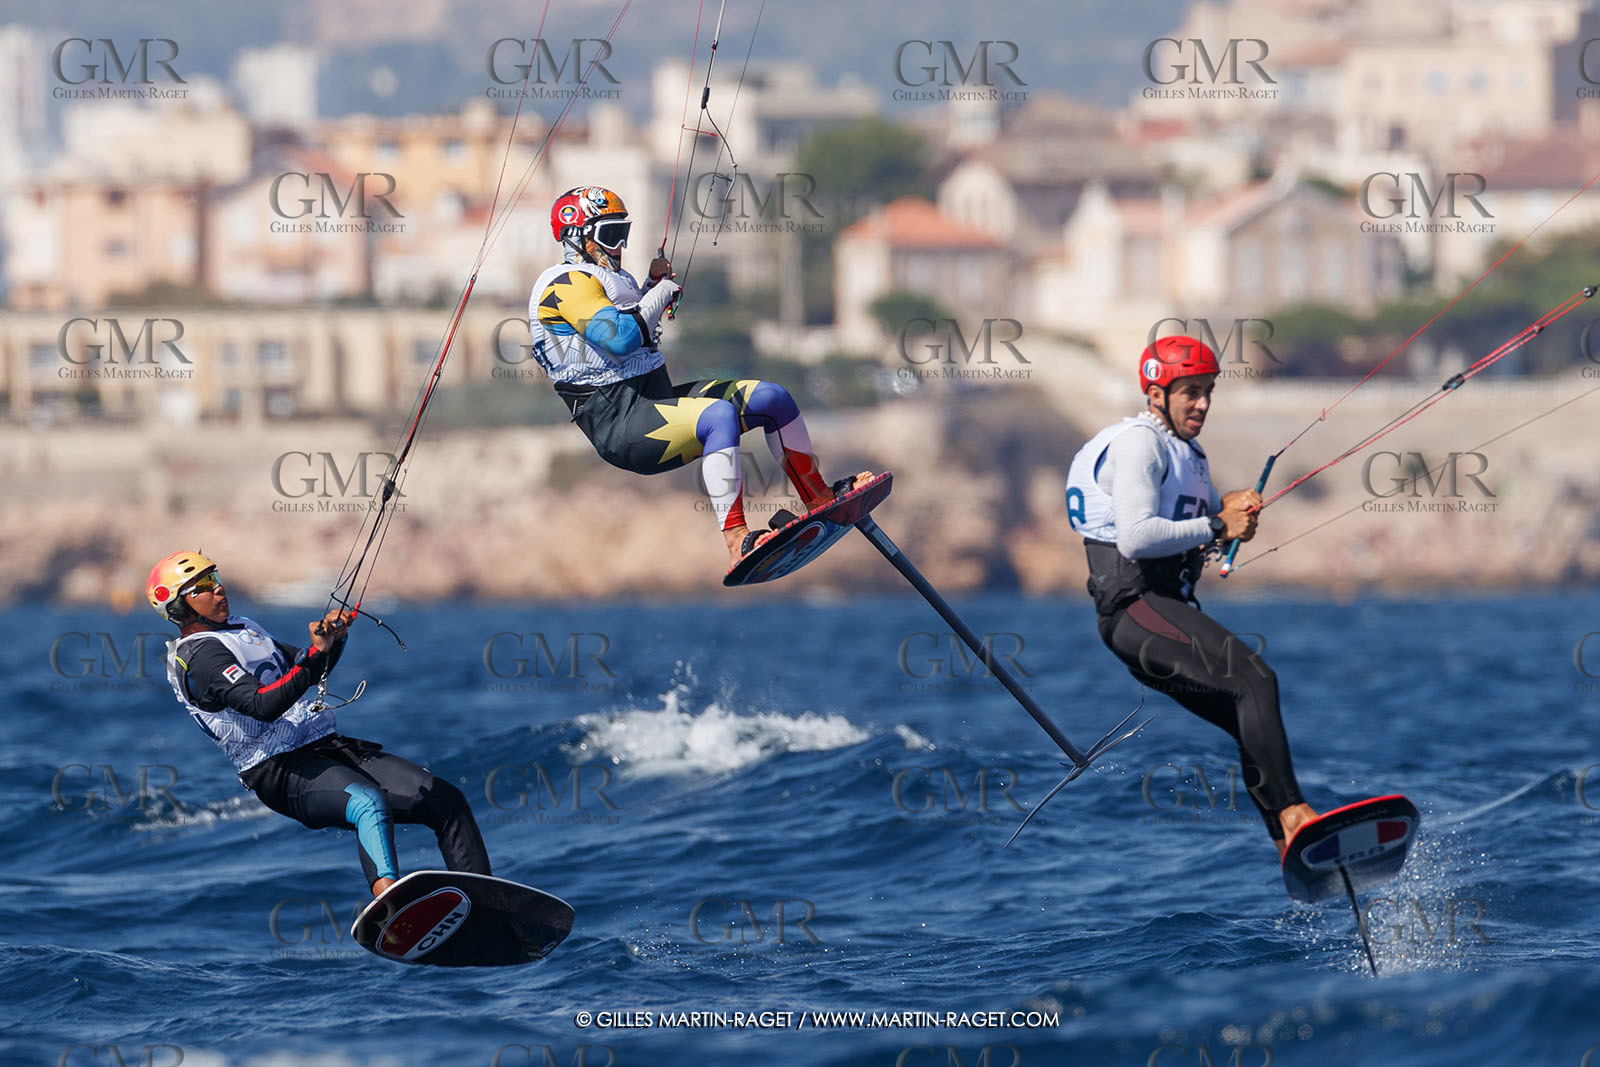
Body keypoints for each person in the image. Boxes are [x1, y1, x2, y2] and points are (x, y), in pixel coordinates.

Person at [1063, 336, 1319, 856]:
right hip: (1133, 610)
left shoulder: (1188, 454)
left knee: (1245, 712)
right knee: (1254, 680)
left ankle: (1285, 843)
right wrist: (1216, 523)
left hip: (1166, 611)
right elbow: (1136, 537)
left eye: (1208, 392)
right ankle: (1295, 815)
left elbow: (1204, 524)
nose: (1202, 404)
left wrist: (1230, 519)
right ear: (1157, 393)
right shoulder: (1141, 443)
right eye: (1190, 393)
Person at [527, 185, 871, 569]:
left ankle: (817, 496)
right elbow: (620, 339)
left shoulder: (608, 277)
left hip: (654, 399)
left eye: (622, 233)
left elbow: (627, 320)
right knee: (718, 416)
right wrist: (660, 296)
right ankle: (737, 539)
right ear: (578, 238)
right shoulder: (564, 283)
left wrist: (649, 289)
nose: (618, 245)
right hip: (621, 426)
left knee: (773, 398)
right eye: (609, 235)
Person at [147, 550, 490, 897]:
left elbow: (311, 668)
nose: (218, 590)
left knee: (446, 800)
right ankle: (391, 903)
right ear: (178, 607)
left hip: (324, 747)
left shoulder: (243, 627)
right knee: (367, 804)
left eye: (215, 579)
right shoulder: (201, 656)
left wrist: (332, 641)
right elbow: (261, 705)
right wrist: (314, 657)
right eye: (203, 586)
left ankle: (487, 903)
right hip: (279, 770)